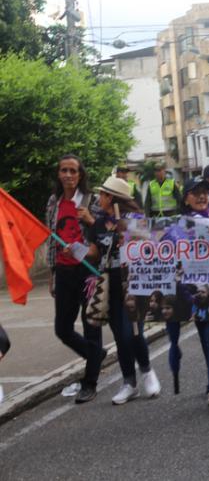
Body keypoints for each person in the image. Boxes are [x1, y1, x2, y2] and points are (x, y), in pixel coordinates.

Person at [87, 177, 161, 405]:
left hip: (133, 283)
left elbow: (151, 244)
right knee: (120, 336)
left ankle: (147, 371)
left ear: (111, 197)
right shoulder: (99, 222)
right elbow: (95, 253)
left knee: (134, 332)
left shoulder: (135, 220)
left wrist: (128, 237)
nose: (99, 198)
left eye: (102, 194)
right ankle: (129, 383)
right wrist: (76, 251)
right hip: (111, 284)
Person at [45, 155, 107, 404]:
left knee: (91, 326)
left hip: (88, 271)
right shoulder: (53, 202)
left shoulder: (91, 202)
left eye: (73, 170)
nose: (68, 175)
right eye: (64, 170)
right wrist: (52, 273)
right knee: (62, 328)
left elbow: (102, 237)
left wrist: (90, 225)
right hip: (64, 271)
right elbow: (51, 238)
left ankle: (89, 383)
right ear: (59, 174)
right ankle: (96, 355)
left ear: (80, 175)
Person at [179, 176, 209, 408]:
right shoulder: (178, 224)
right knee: (204, 335)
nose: (201, 196)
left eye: (205, 191)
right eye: (195, 191)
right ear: (186, 198)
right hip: (193, 290)